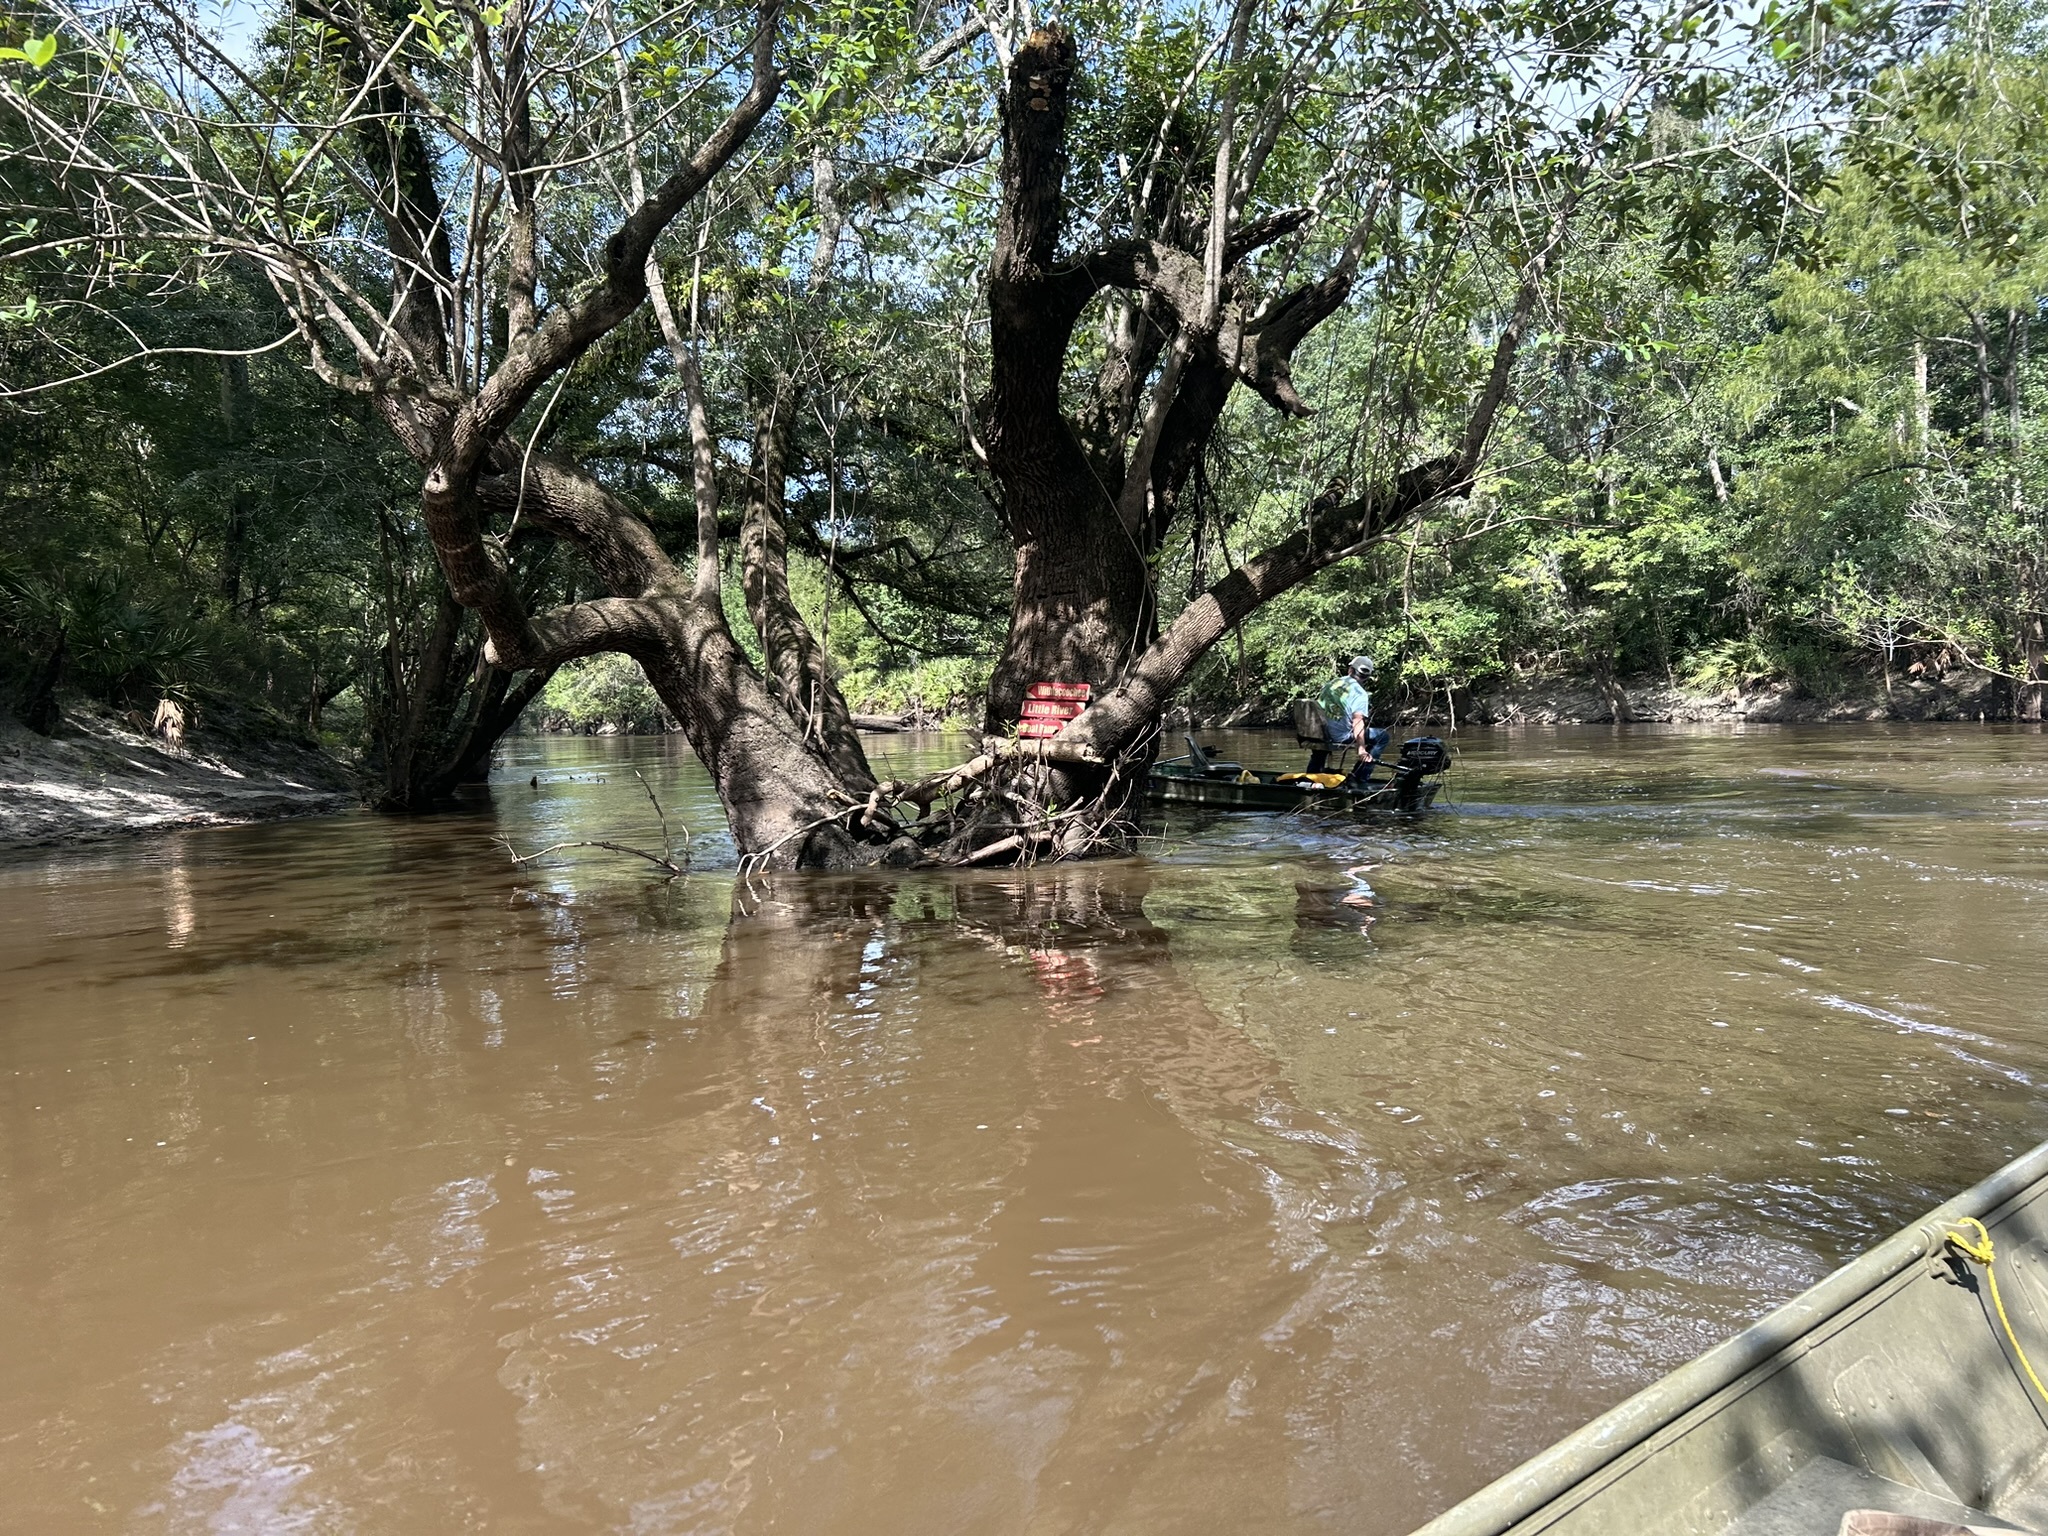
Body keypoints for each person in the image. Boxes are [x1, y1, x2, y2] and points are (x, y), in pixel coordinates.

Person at [1313, 656, 1390, 774]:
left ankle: (1312, 773)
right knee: (1382, 736)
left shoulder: (1332, 684)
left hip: (1317, 733)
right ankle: (1360, 776)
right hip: (1339, 736)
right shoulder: (1360, 694)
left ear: (1350, 670)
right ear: (1367, 677)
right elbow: (1357, 721)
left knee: (1326, 733)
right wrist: (1361, 749)